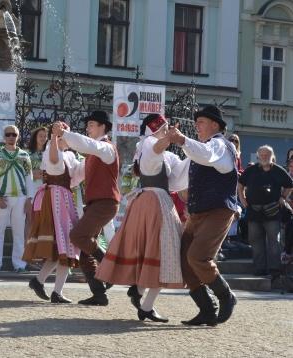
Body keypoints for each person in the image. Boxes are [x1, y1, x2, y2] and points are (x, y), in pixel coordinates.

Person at [96, 114, 189, 322]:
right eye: (164, 128)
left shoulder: (163, 153)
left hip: (151, 201)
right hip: (155, 202)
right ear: (156, 129)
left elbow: (180, 174)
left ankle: (138, 292)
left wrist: (194, 149)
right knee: (166, 253)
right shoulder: (149, 143)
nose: (167, 132)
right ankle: (144, 304)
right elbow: (155, 150)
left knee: (155, 251)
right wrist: (170, 138)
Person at [168, 105, 238, 326]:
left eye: (201, 122)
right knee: (184, 260)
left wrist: (181, 140)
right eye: (196, 123)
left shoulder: (220, 145)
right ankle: (207, 309)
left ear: (215, 125)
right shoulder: (198, 150)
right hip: (198, 213)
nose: (196, 126)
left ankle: (226, 296)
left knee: (197, 257)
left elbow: (207, 155)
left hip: (218, 211)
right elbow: (177, 177)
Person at [52, 110, 120, 306]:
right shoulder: (92, 154)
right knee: (82, 248)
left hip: (105, 203)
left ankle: (111, 268)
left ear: (102, 127)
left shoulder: (106, 148)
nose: (88, 128)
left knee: (78, 237)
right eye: (88, 125)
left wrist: (65, 134)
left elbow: (88, 144)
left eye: (91, 124)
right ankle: (99, 293)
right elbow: (74, 178)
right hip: (96, 204)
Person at [23, 129, 83, 303]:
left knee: (65, 248)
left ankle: (50, 287)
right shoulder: (52, 150)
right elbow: (55, 162)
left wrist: (95, 155)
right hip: (54, 199)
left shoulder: (70, 155)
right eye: (64, 135)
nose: (67, 138)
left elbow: (77, 176)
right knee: (62, 244)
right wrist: (55, 138)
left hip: (64, 198)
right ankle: (43, 283)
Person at [238, 145, 292, 278]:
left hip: (272, 211)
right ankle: (259, 269)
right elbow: (240, 184)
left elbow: (290, 185)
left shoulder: (279, 171)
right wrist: (242, 198)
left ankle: (275, 270)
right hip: (254, 211)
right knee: (256, 241)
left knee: (274, 241)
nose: (264, 157)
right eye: (261, 155)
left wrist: (283, 197)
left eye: (266, 155)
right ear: (258, 156)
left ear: (272, 156)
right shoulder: (250, 170)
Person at [0, 125, 34, 272]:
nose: (11, 137)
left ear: (18, 136)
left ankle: (19, 265)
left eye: (14, 134)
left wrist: (29, 199)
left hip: (20, 198)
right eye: (8, 134)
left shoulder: (24, 155)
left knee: (19, 233)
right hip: (2, 198)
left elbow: (29, 177)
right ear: (4, 137)